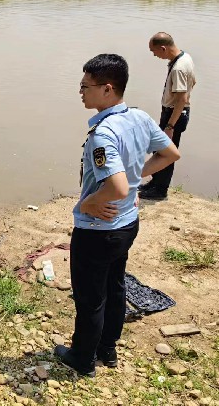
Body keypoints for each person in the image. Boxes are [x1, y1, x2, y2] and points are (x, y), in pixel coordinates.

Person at [54, 54, 180, 377]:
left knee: (90, 296)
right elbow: (170, 153)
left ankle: (82, 358)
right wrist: (137, 178)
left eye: (85, 87)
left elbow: (118, 186)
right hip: (127, 225)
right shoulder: (138, 117)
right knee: (115, 284)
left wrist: (89, 202)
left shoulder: (103, 134)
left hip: (98, 229)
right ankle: (107, 349)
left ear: (107, 89)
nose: (80, 92)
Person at [140, 32, 196, 200]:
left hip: (174, 114)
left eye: (154, 51)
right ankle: (155, 182)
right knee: (160, 148)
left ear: (163, 48)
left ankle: (160, 190)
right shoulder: (185, 58)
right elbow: (193, 82)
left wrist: (170, 126)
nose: (154, 55)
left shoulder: (179, 68)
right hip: (174, 113)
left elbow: (181, 100)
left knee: (167, 153)